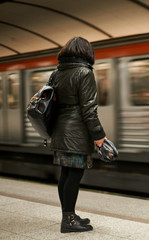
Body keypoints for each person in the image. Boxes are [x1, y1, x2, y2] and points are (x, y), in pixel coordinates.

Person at [50, 37, 106, 233]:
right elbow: (89, 109)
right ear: (86, 53)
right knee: (74, 175)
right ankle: (69, 221)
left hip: (59, 130)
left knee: (65, 174)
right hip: (76, 133)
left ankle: (69, 215)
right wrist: (100, 137)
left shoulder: (56, 73)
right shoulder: (85, 73)